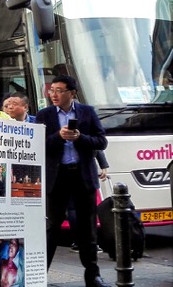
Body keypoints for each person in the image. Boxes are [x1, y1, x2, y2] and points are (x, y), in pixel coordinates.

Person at [35, 75, 110, 287]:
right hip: (56, 178)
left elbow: (101, 141)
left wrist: (80, 138)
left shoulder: (87, 112)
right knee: (51, 227)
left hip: (82, 176)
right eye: (52, 91)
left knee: (87, 229)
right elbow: (38, 145)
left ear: (72, 93)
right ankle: (39, 275)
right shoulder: (45, 115)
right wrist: (59, 136)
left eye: (59, 90)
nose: (54, 95)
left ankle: (92, 276)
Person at [69, 150, 109, 253]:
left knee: (73, 208)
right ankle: (91, 243)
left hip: (68, 170)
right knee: (89, 209)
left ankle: (78, 242)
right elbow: (97, 144)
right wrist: (103, 165)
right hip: (88, 170)